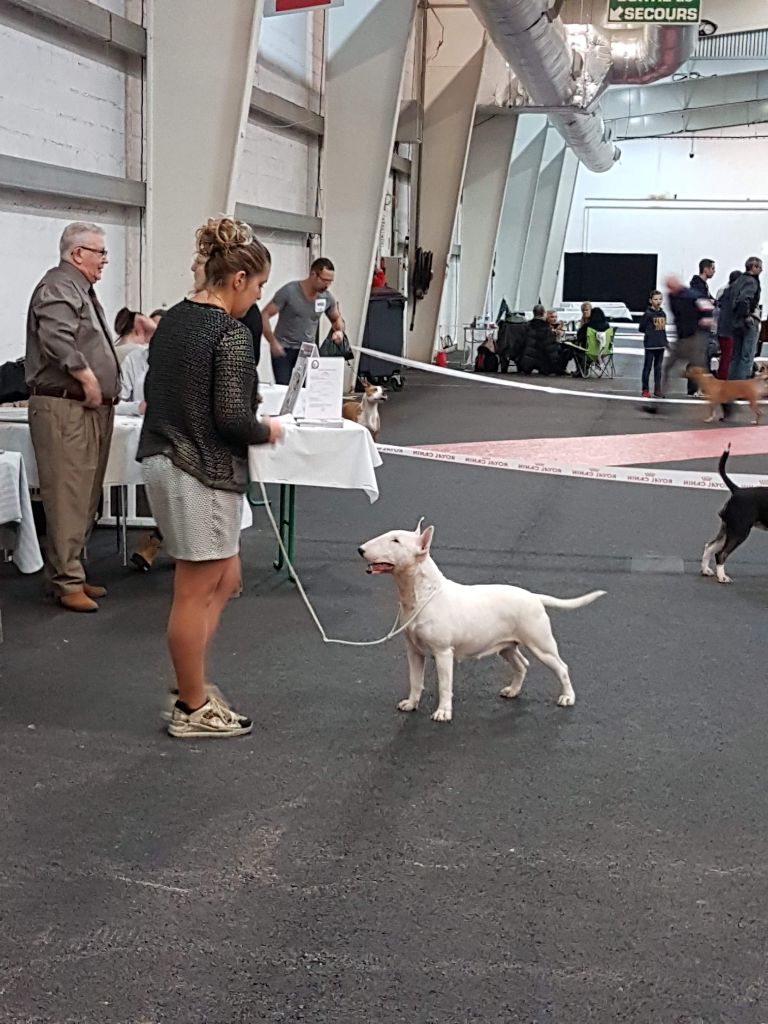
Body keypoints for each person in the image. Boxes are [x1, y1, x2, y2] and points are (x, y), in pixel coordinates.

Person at [137, 217, 283, 739]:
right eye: (259, 285)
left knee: (225, 577)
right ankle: (192, 705)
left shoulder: (174, 318)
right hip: (197, 467)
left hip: (169, 458)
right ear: (238, 279)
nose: (259, 297)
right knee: (196, 590)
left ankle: (191, 680)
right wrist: (269, 430)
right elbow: (233, 418)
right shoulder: (231, 334)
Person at [25, 221, 120, 613]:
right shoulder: (59, 287)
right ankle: (67, 581)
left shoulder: (78, 289)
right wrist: (85, 375)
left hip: (85, 407)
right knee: (68, 494)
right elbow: (56, 338)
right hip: (65, 406)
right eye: (100, 252)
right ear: (77, 253)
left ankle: (68, 573)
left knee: (84, 495)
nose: (105, 260)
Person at [261, 257, 346, 384]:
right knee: (284, 388)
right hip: (284, 349)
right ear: (313, 274)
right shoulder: (289, 291)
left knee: (308, 388)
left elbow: (337, 318)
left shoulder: (326, 298)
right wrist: (272, 342)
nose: (327, 285)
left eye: (330, 281)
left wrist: (339, 331)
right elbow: (264, 315)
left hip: (307, 350)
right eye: (324, 280)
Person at [659, 275, 713, 401]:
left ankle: (718, 398)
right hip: (683, 338)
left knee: (700, 369)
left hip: (695, 338)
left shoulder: (692, 295)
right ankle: (660, 398)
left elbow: (708, 308)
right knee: (668, 366)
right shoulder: (672, 297)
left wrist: (706, 320)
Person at [728, 256, 763, 380]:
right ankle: (742, 385)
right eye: (760, 267)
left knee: (736, 356)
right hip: (747, 322)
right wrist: (747, 315)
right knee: (747, 356)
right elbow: (744, 299)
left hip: (735, 322)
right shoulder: (751, 281)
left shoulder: (738, 281)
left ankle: (731, 385)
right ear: (753, 267)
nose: (761, 270)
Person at [638, 290, 667, 399]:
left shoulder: (663, 314)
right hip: (650, 345)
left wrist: (665, 341)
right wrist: (650, 333)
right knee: (647, 367)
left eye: (660, 299)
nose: (658, 301)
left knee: (658, 368)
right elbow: (641, 328)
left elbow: (663, 329)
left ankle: (657, 389)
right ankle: (645, 390)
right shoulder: (648, 314)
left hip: (660, 344)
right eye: (655, 299)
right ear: (650, 301)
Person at [714, 270, 741, 380]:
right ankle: (723, 379)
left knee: (725, 356)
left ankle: (722, 378)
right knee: (727, 356)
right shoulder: (732, 293)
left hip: (721, 328)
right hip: (728, 329)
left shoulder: (723, 291)